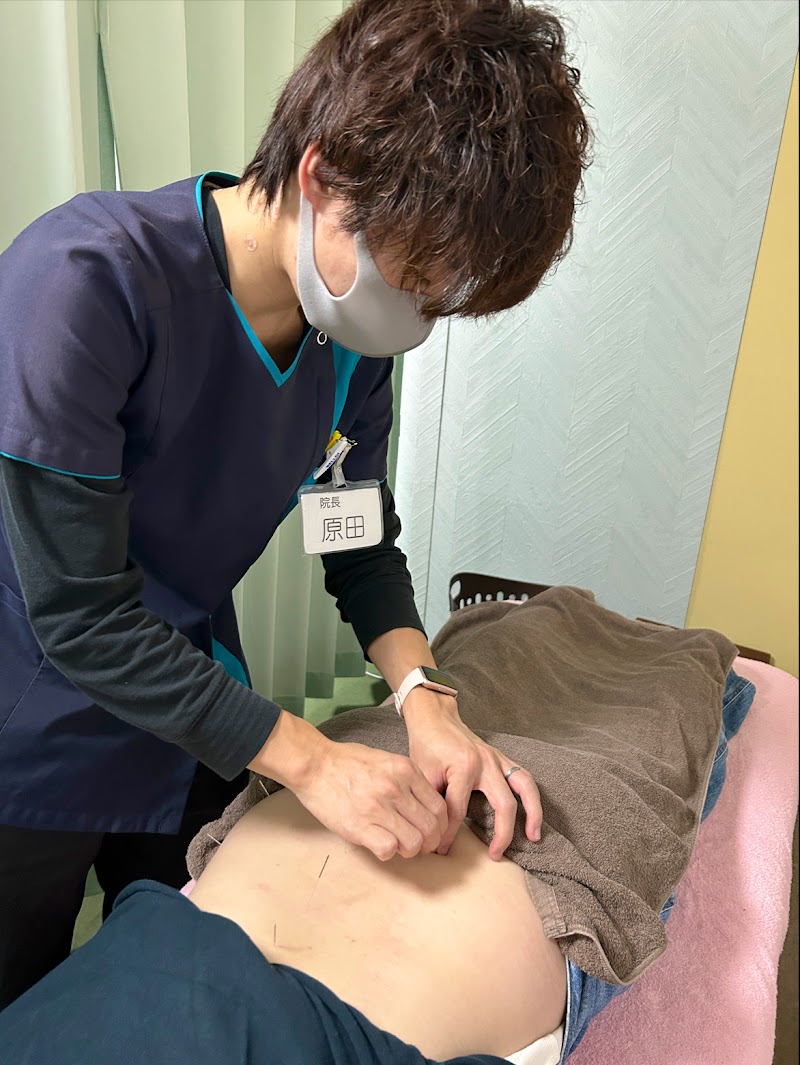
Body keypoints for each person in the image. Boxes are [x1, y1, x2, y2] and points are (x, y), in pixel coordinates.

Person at [0, 0, 592, 1008]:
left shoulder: (347, 345)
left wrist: (426, 698)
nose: (417, 313)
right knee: (32, 1002)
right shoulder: (82, 286)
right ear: (321, 176)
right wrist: (313, 762)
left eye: (443, 294)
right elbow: (81, 619)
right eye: (415, 273)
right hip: (34, 720)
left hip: (190, 704)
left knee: (185, 979)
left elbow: (353, 539)